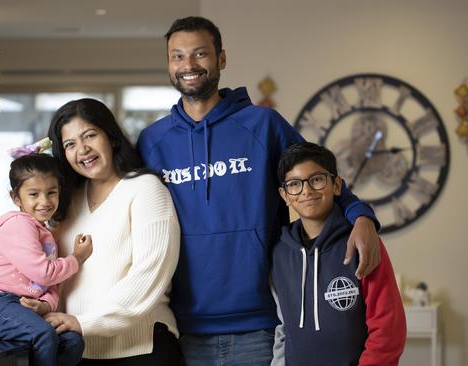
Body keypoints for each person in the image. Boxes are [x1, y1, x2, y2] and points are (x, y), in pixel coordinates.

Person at [137, 16, 382, 365]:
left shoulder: (263, 125)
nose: (188, 65)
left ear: (221, 59)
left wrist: (361, 215)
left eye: (200, 54)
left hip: (262, 323)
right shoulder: (152, 141)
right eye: (177, 56)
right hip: (184, 327)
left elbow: (316, 175)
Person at [0, 98, 182, 366]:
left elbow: (148, 276)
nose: (82, 150)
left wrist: (83, 322)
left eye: (90, 135)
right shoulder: (64, 202)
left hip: (138, 348)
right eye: (70, 144)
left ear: (110, 136)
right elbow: (40, 278)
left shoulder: (146, 189)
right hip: (79, 348)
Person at [271, 142, 406, 366]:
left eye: (316, 179)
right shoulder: (280, 253)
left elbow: (388, 327)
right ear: (284, 195)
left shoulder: (363, 243)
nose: (306, 190)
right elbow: (283, 327)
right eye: (294, 184)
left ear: (336, 185)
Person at [0, 153, 93, 366]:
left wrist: (45, 305)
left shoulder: (45, 234)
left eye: (51, 193)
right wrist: (77, 258)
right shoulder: (18, 224)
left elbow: (49, 284)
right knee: (43, 334)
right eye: (34, 194)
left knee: (72, 340)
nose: (44, 202)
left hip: (19, 307)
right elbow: (45, 273)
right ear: (16, 198)